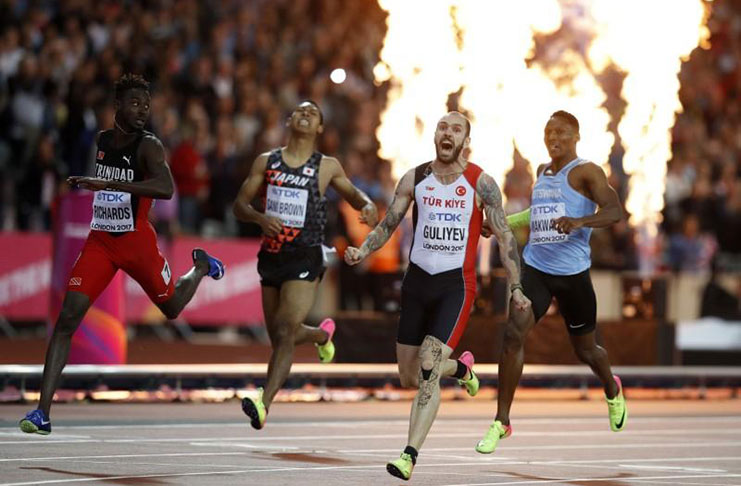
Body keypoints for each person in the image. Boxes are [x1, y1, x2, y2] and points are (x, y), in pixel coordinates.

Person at [19, 74, 225, 435]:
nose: (142, 110)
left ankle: (201, 266)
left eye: (146, 105)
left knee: (173, 308)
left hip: (136, 243)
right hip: (100, 240)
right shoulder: (101, 140)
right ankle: (42, 412)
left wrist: (110, 183)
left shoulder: (150, 146)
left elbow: (166, 188)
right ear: (117, 106)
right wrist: (88, 185)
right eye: (134, 103)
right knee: (67, 318)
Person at [345, 111, 530, 481]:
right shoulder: (415, 178)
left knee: (429, 364)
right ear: (435, 135)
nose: (448, 133)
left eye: (456, 129)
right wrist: (363, 250)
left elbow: (506, 239)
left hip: (455, 287)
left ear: (466, 141)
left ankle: (408, 454)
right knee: (408, 377)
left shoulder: (482, 184)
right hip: (417, 285)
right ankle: (460, 368)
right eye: (443, 127)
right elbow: (389, 223)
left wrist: (516, 287)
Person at [475, 110, 627, 455]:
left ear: (576, 136)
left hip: (573, 276)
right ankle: (502, 421)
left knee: (586, 350)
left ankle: (611, 388)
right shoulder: (542, 172)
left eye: (560, 133)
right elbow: (536, 214)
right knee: (514, 334)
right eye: (548, 133)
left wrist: (578, 221)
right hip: (537, 270)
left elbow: (615, 211)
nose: (553, 139)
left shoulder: (587, 171)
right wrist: (502, 224)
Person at [233, 100, 378, 429]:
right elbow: (239, 205)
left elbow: (356, 195)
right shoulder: (266, 161)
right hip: (271, 256)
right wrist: (258, 217)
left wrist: (368, 206)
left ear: (320, 128)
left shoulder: (326, 166)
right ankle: (320, 336)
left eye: (313, 113)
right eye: (300, 111)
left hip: (305, 255)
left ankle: (263, 401)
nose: (305, 114)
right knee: (279, 337)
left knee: (285, 330)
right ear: (289, 120)